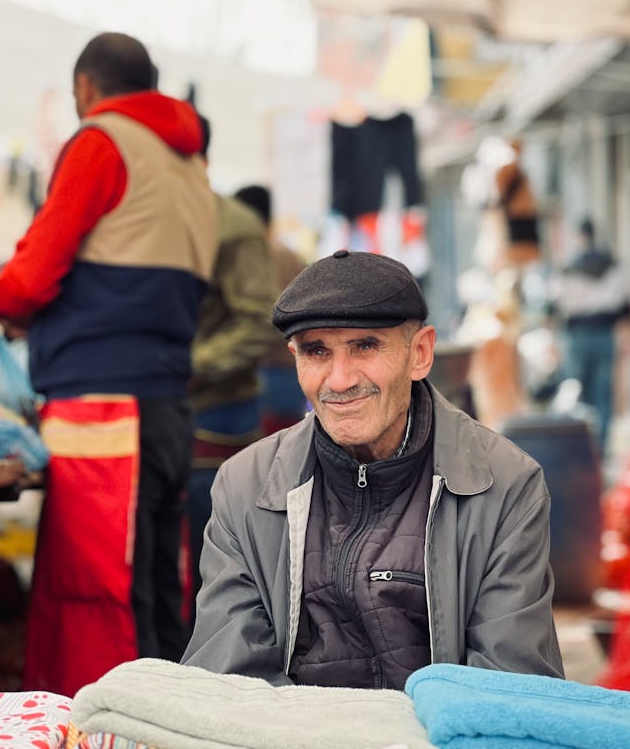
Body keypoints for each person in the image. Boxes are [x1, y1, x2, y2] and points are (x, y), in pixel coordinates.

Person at [182, 249, 564, 689]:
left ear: (420, 353)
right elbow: (229, 680)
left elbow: (508, 689)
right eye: (317, 352)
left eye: (365, 346)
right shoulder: (244, 486)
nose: (340, 379)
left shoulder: (504, 486)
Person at [0, 32, 217, 696]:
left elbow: (34, 273)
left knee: (96, 597)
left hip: (102, 411)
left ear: (85, 89)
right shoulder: (189, 164)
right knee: (152, 591)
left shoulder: (101, 142)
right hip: (167, 407)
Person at [187, 136, 279, 623]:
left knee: (218, 557)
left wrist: (190, 366)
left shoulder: (232, 227)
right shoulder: (159, 221)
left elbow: (257, 320)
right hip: (172, 411)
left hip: (219, 411)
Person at [550, 217, 630, 455]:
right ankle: (600, 446)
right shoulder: (612, 266)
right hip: (605, 334)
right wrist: (628, 335)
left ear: (579, 236)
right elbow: (624, 304)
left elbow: (557, 305)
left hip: (578, 335)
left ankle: (581, 447)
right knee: (603, 392)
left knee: (577, 390)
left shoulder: (569, 268)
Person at [234, 184, 308, 436]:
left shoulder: (248, 256)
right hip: (293, 371)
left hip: (259, 373)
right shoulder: (292, 256)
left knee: (259, 458)